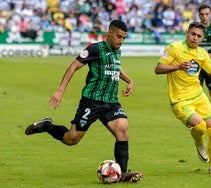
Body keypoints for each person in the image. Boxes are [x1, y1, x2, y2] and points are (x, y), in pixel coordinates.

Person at [25, 19, 143, 183]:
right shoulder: (95, 48)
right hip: (92, 102)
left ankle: (122, 173)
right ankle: (46, 125)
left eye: (124, 38)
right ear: (110, 33)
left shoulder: (117, 50)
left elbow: (115, 66)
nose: (121, 41)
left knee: (122, 129)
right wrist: (60, 91)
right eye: (118, 37)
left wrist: (128, 79)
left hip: (111, 102)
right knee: (70, 139)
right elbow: (73, 66)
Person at [154, 21, 211, 176]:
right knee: (201, 126)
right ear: (187, 33)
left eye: (199, 36)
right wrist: (177, 66)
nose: (195, 38)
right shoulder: (174, 48)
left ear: (202, 38)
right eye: (193, 34)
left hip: (198, 96)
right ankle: (199, 142)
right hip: (179, 100)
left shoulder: (201, 54)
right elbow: (158, 69)